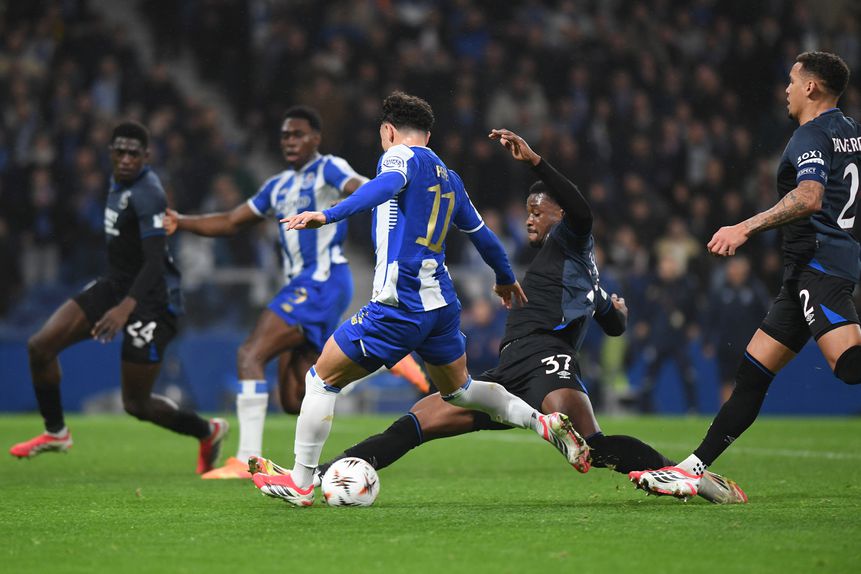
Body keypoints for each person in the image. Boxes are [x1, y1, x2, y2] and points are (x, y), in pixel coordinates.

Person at [250, 127, 747, 505]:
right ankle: (326, 474)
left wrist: (537, 162)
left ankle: (690, 476)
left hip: (545, 361)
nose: (531, 216)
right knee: (420, 419)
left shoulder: (571, 239)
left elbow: (580, 211)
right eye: (529, 208)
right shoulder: (581, 273)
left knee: (593, 444)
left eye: (539, 209)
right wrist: (610, 306)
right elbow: (611, 322)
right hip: (508, 370)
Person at [250, 92, 589, 506]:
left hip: (399, 303)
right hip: (441, 307)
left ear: (388, 131)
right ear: (428, 134)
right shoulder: (449, 176)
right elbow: (483, 236)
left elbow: (385, 186)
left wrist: (328, 214)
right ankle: (542, 422)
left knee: (321, 379)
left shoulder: (398, 157)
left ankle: (302, 483)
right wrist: (504, 277)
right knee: (460, 392)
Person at [631, 51, 861, 499]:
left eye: (793, 81)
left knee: (849, 365)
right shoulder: (852, 132)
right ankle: (692, 469)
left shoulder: (810, 136)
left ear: (811, 87)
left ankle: (692, 469)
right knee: (753, 375)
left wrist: (744, 226)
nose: (787, 89)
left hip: (820, 268)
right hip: (805, 275)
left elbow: (810, 197)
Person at [164, 106, 429, 479]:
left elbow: (368, 188)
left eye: (298, 134)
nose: (290, 141)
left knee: (250, 353)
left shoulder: (329, 168)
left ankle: (245, 459)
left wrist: (372, 206)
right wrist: (182, 221)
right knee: (296, 398)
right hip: (302, 285)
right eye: (286, 135)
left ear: (316, 139)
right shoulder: (277, 186)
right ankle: (385, 360)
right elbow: (230, 221)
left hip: (322, 282)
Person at [9, 121, 228, 474]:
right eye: (120, 151)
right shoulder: (116, 182)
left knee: (136, 404)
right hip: (116, 284)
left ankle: (208, 430)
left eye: (133, 153)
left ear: (146, 156)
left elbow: (155, 262)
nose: (126, 159)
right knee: (40, 347)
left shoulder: (148, 193)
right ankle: (56, 432)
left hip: (154, 300)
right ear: (110, 153)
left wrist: (126, 308)